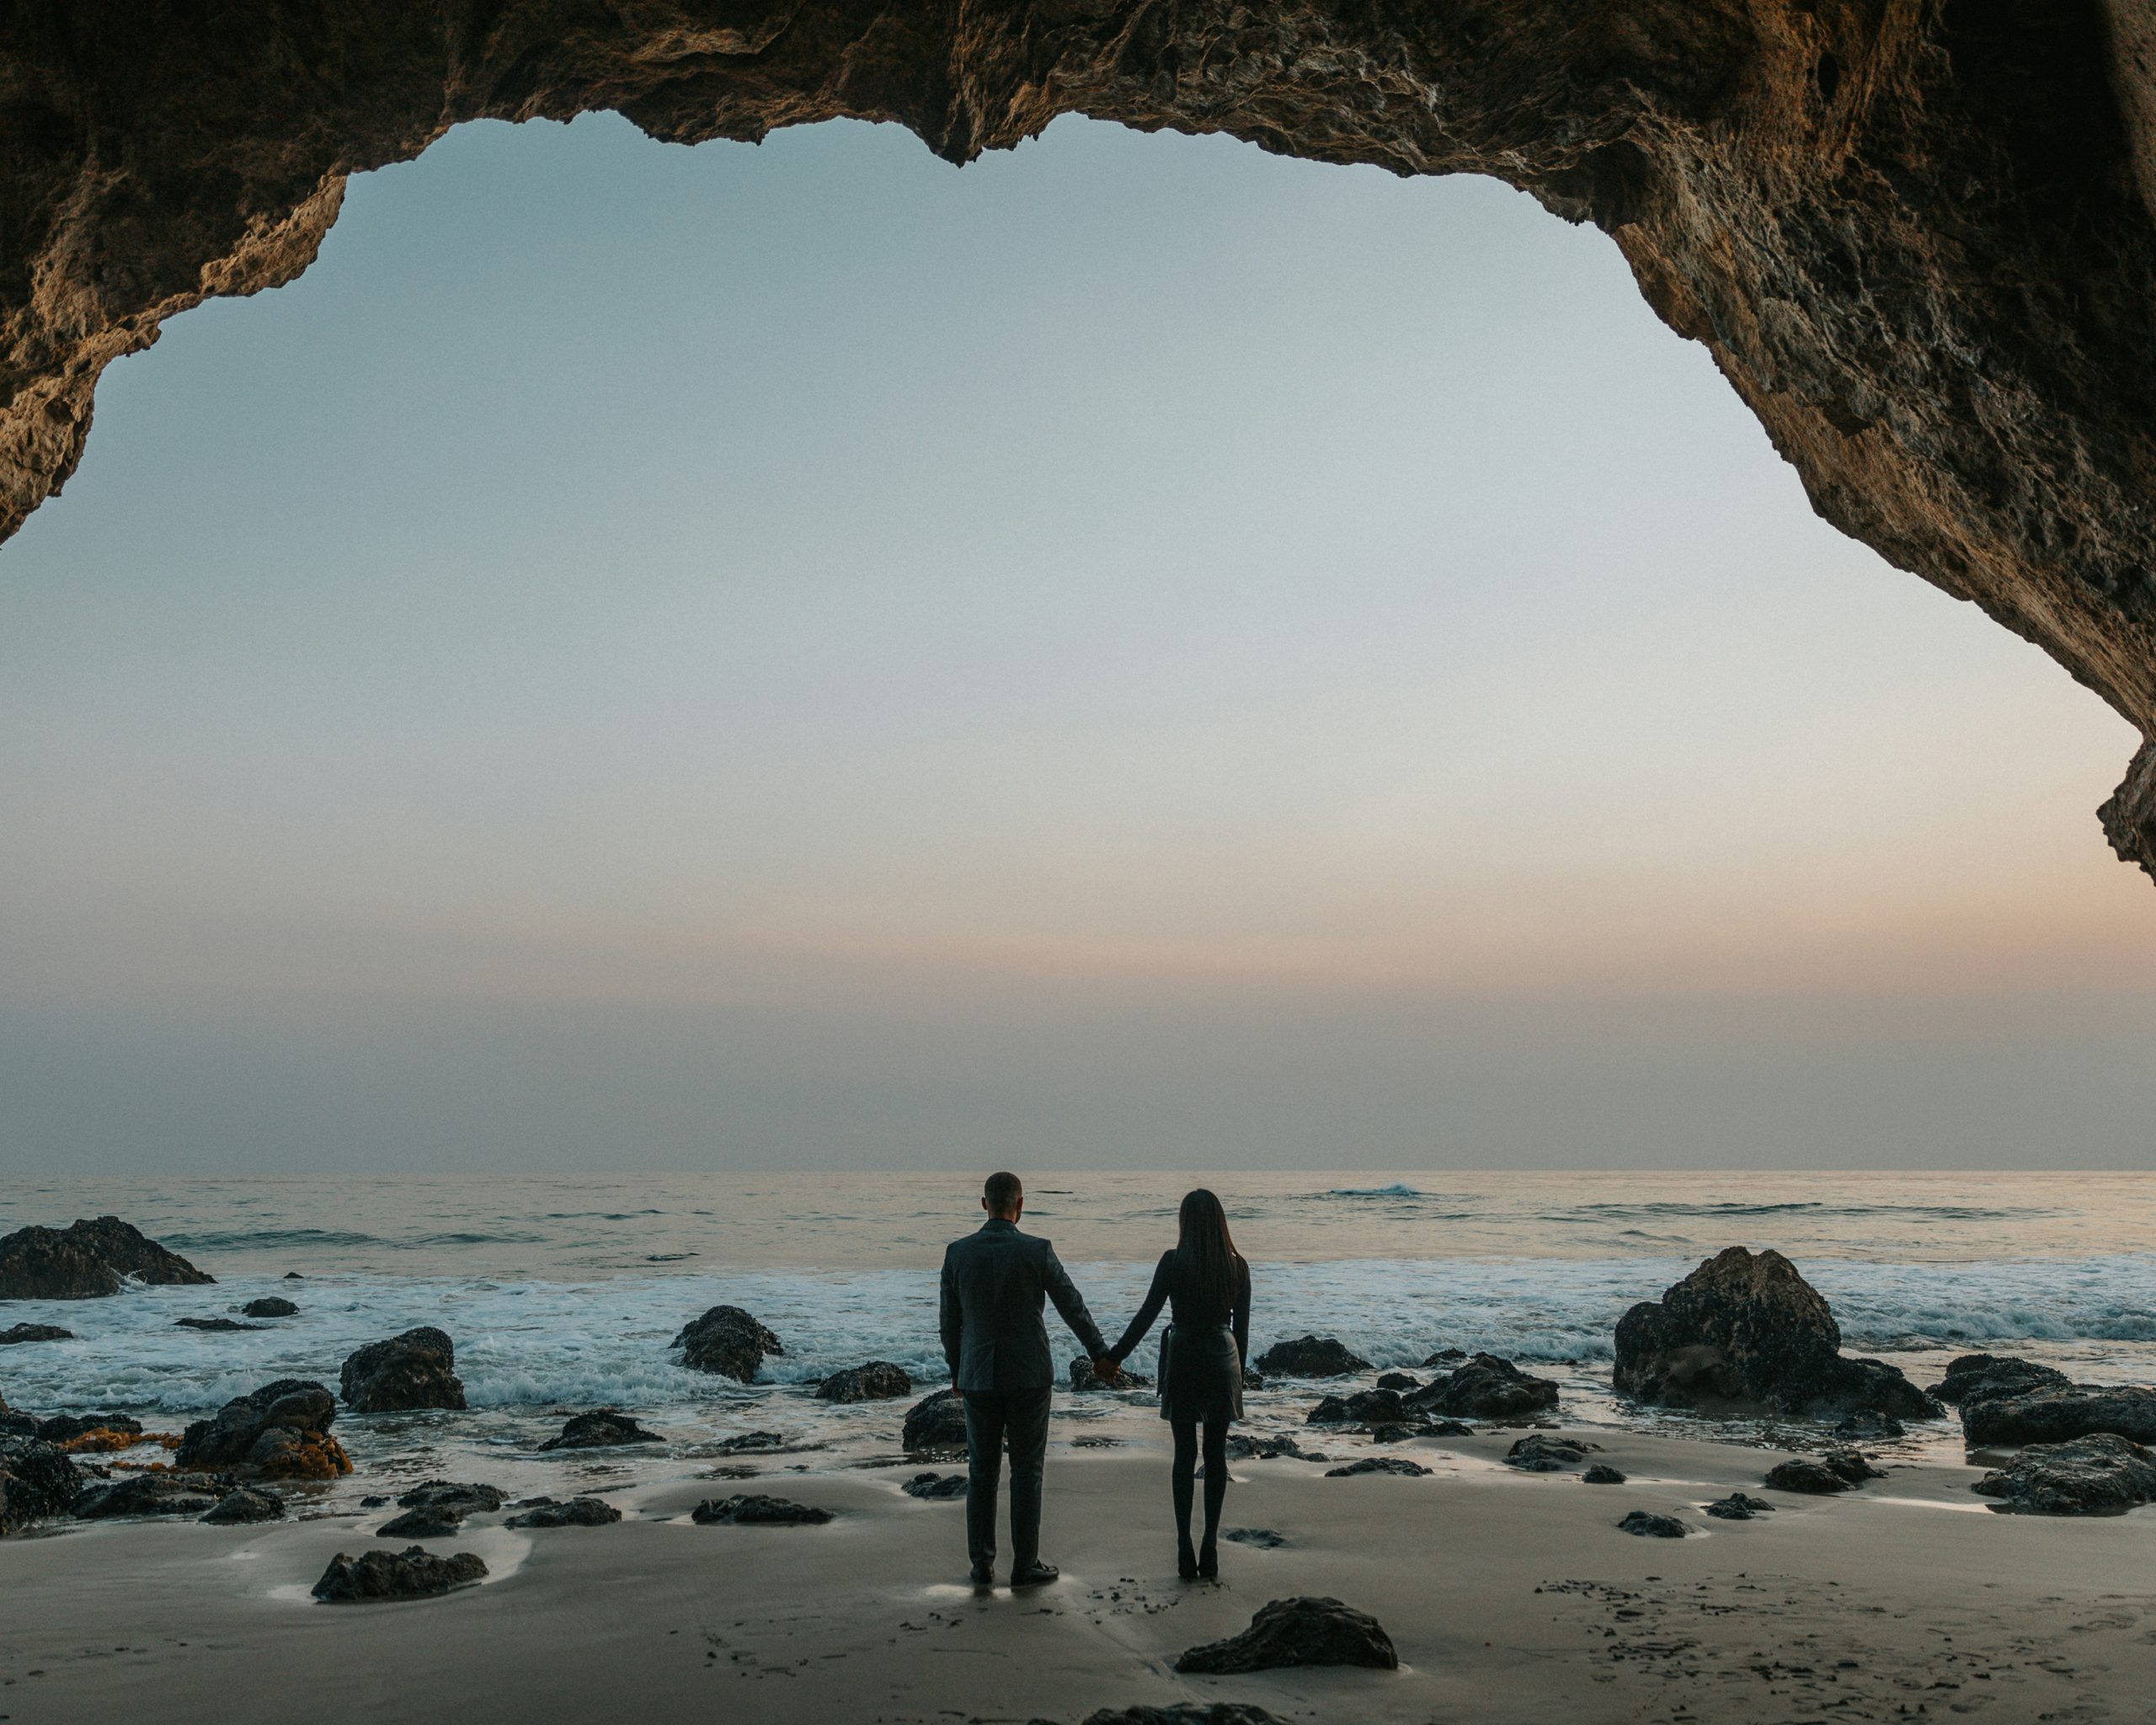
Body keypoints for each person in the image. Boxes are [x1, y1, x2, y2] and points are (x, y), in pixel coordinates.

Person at [938, 1170, 1115, 1589]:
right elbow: (1073, 1304)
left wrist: (956, 1369)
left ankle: (982, 1566)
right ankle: (1025, 1565)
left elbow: (950, 1323)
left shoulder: (957, 1253)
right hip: (1030, 1374)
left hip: (978, 1375)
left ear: (984, 1204)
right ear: (1021, 1205)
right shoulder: (1037, 1250)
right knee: (1027, 1471)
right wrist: (1100, 1354)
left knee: (981, 1471)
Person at [1100, 1187, 1251, 1580]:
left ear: (1184, 1222)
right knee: (1215, 1456)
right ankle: (1211, 1545)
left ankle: (1184, 1545)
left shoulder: (1172, 1262)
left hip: (1183, 1355)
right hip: (1223, 1357)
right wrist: (1239, 1379)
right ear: (1220, 1222)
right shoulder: (1238, 1266)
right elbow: (1243, 1333)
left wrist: (1113, 1357)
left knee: (1184, 1455)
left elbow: (1147, 1314)